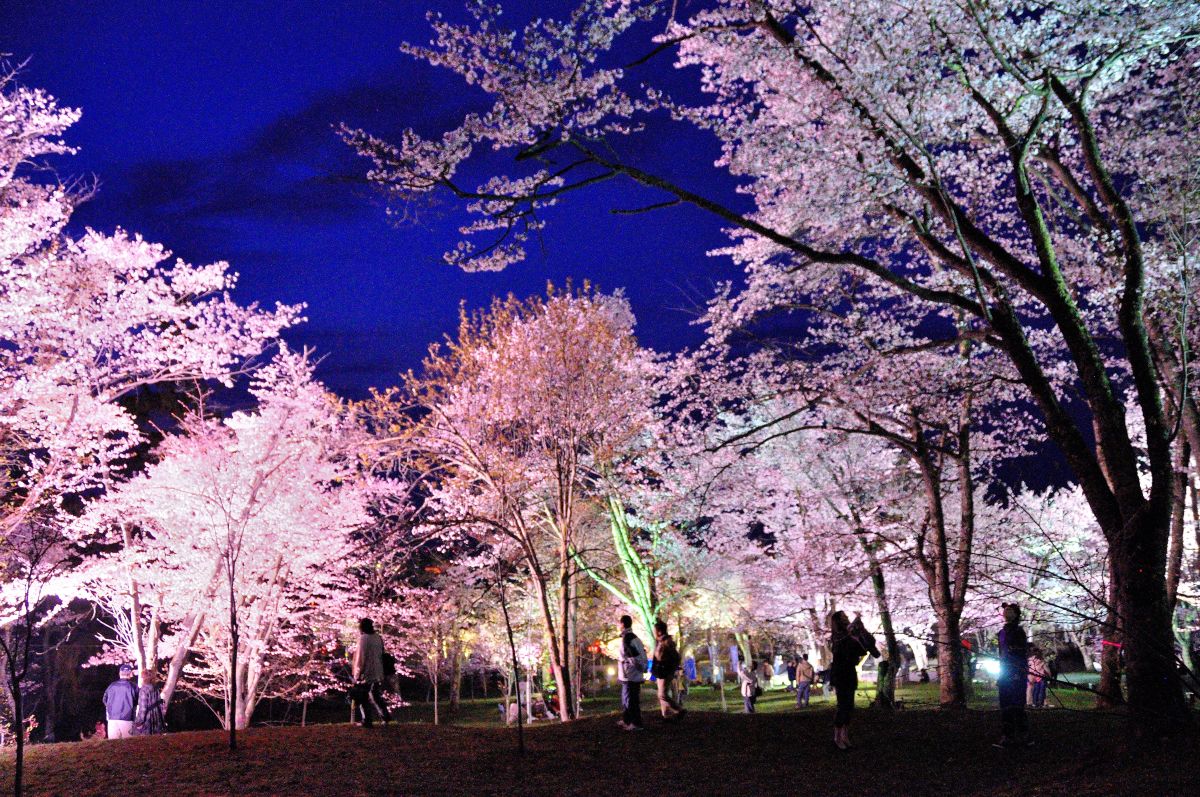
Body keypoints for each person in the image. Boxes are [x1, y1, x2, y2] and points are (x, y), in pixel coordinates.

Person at [830, 611, 877, 750]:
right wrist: (852, 636)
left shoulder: (849, 634)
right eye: (843, 617)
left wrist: (860, 632)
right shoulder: (837, 637)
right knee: (842, 706)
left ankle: (845, 735)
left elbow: (862, 650)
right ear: (837, 621)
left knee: (849, 706)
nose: (846, 618)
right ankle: (837, 736)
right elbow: (842, 648)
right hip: (840, 674)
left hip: (849, 673)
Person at [995, 603, 1031, 748]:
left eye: (1010, 610)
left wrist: (1018, 671)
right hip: (1004, 672)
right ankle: (1008, 736)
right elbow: (1001, 654)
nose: (1007, 611)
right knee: (1005, 705)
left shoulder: (1018, 632)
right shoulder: (1002, 632)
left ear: (1016, 614)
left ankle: (1023, 736)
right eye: (1006, 609)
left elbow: (1021, 653)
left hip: (1016, 672)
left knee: (1017, 705)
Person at [352, 617, 391, 728]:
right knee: (375, 695)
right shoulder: (378, 637)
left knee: (362, 696)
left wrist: (357, 673)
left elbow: (361, 658)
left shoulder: (363, 638)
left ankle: (367, 720)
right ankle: (385, 717)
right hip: (378, 670)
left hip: (367, 672)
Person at [651, 620, 686, 721]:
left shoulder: (666, 642)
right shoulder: (660, 642)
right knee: (661, 693)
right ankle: (665, 714)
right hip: (661, 670)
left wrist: (671, 666)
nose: (653, 633)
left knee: (663, 694)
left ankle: (679, 710)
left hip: (665, 670)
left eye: (655, 630)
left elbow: (675, 656)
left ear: (659, 631)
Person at [617, 614, 647, 731]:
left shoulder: (628, 639)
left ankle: (636, 723)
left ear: (623, 624)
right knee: (627, 699)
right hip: (629, 674)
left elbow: (632, 657)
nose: (618, 625)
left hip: (630, 675)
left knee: (631, 700)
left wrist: (637, 669)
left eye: (619, 623)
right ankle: (627, 720)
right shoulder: (631, 637)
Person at [102, 663, 139, 740]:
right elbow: (138, 701)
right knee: (128, 745)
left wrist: (110, 707)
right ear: (130, 674)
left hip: (112, 718)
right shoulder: (133, 687)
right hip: (127, 718)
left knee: (113, 745)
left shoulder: (112, 685)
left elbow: (104, 699)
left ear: (120, 673)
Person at [133, 670, 166, 736]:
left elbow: (143, 708)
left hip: (147, 720)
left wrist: (139, 721)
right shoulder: (155, 688)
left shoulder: (144, 689)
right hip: (157, 719)